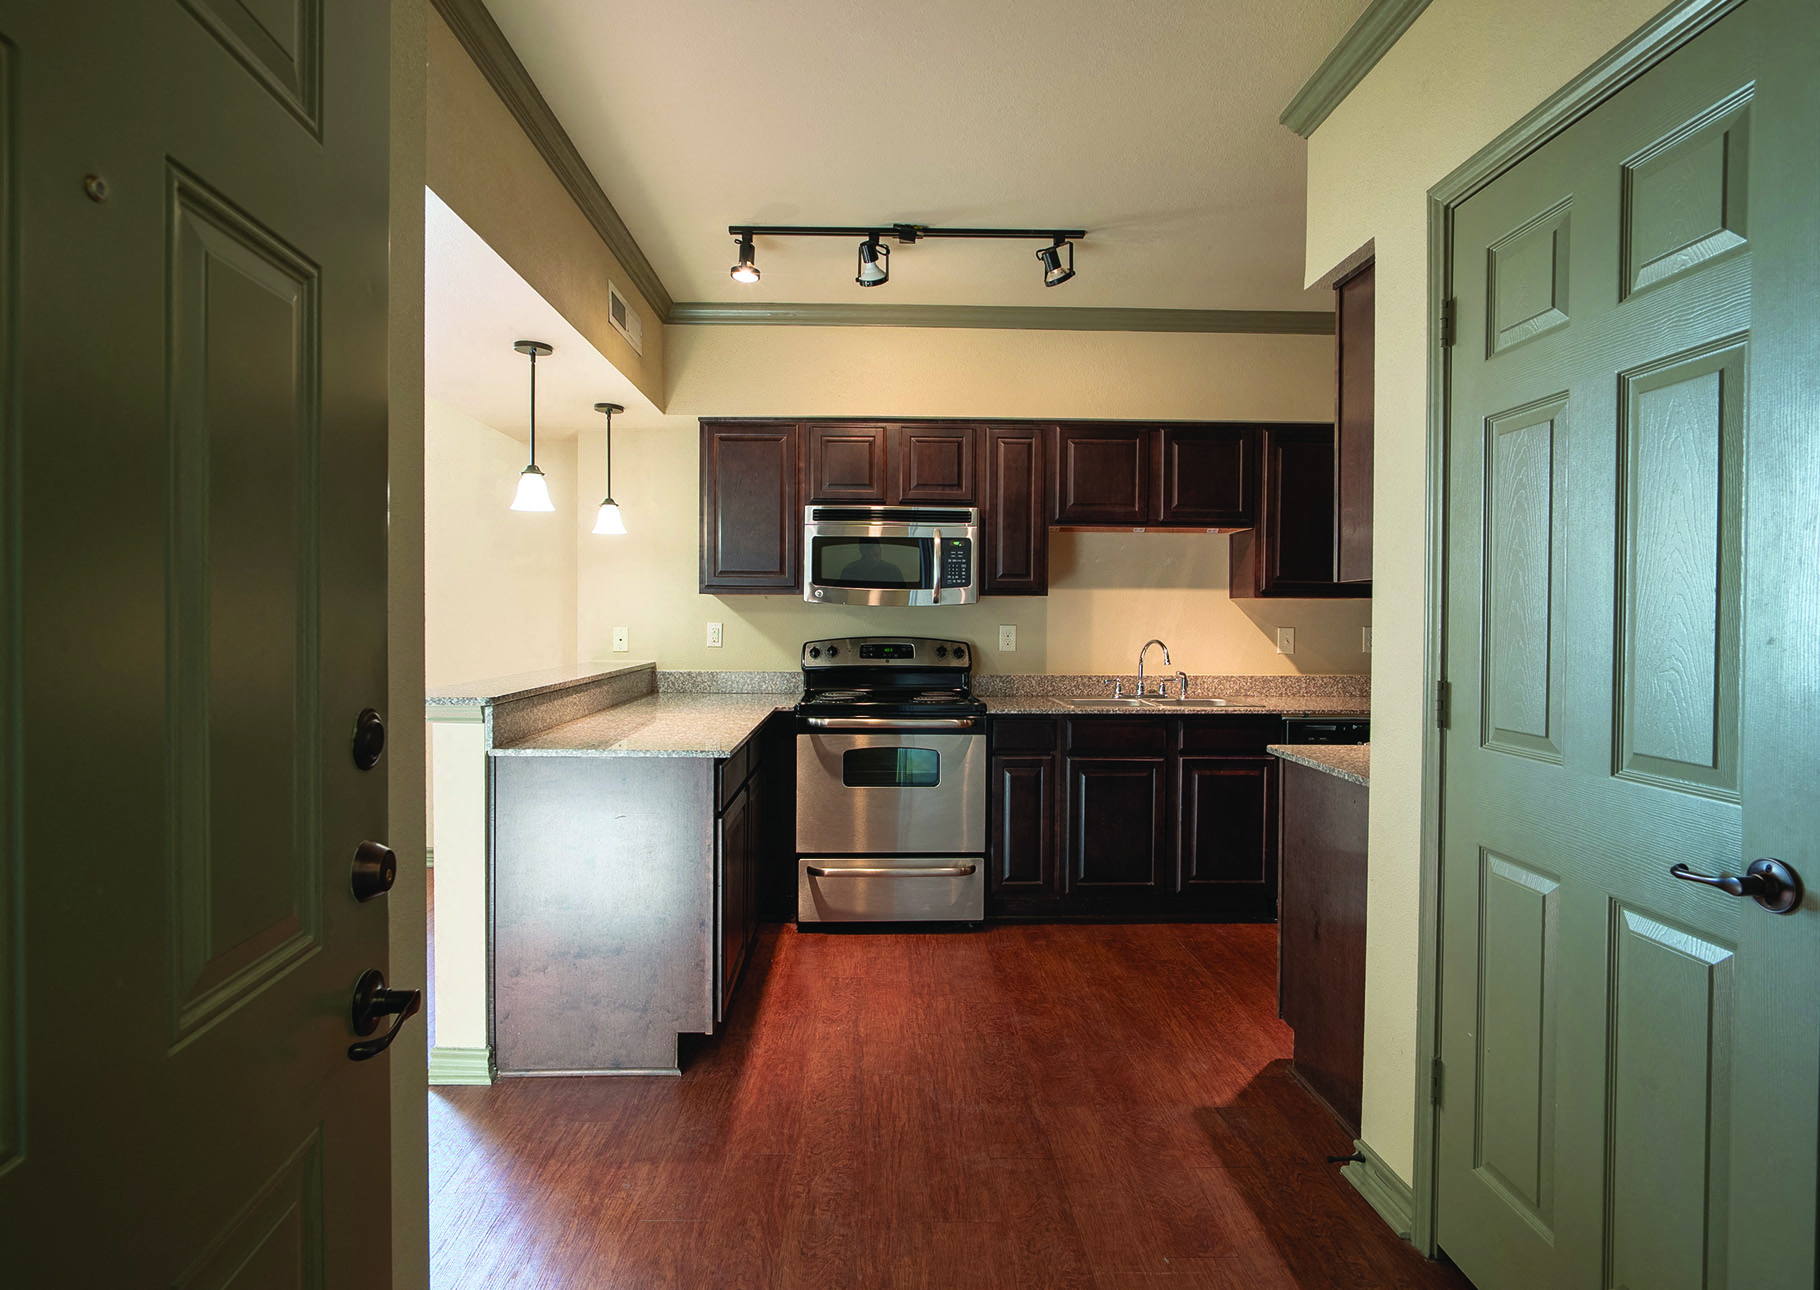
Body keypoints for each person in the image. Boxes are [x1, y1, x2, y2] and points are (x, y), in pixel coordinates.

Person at [838, 540, 905, 582]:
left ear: (880, 550)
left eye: (876, 555)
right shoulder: (849, 571)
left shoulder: (893, 571)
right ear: (861, 552)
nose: (874, 559)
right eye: (869, 555)